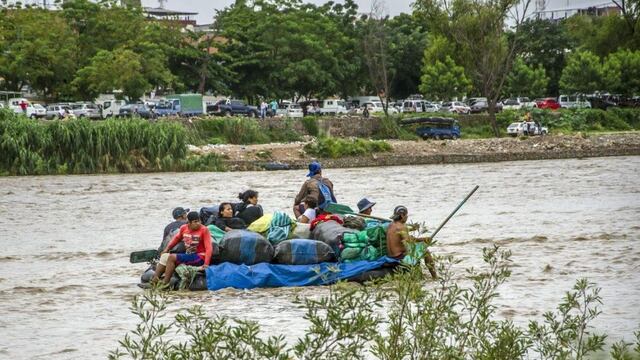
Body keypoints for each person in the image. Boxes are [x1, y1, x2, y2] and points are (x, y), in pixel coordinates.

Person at [152, 211, 213, 287]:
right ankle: (154, 282)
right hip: (189, 255)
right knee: (165, 256)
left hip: (199, 257)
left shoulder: (204, 230)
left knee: (172, 257)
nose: (198, 223)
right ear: (189, 223)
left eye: (199, 221)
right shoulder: (184, 228)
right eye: (195, 222)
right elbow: (176, 239)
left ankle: (165, 283)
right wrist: (166, 249)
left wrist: (206, 264)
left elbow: (209, 247)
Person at [386, 206, 437, 279]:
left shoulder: (390, 225)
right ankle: (435, 277)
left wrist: (413, 228)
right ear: (402, 215)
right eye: (406, 215)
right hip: (399, 257)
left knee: (415, 248)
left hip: (391, 255)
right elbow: (408, 241)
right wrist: (423, 239)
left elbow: (400, 232)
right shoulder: (401, 227)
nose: (407, 217)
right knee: (426, 251)